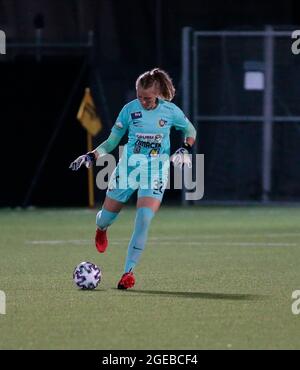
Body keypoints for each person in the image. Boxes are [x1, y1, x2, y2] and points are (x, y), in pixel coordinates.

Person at [70, 68, 196, 290]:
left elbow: (190, 130)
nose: (143, 102)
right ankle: (101, 229)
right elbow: (111, 142)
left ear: (158, 93)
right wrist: (92, 155)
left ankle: (128, 273)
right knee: (106, 217)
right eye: (139, 97)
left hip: (156, 172)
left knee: (144, 219)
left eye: (147, 98)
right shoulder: (129, 111)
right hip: (128, 170)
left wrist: (185, 148)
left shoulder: (170, 111)